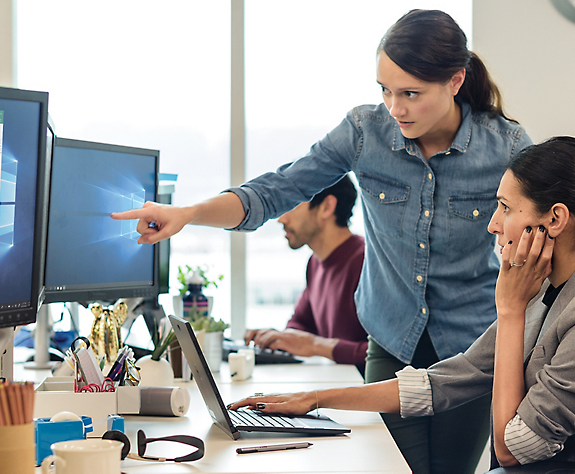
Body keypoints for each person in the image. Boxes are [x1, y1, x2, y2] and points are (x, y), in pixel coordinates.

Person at [111, 9, 532, 473]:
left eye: (411, 94)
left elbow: (543, 237)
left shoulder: (507, 148)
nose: (395, 108)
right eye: (385, 91)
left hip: (472, 351)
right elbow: (277, 190)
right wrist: (188, 214)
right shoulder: (363, 132)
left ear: (455, 81)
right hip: (391, 343)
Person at [229, 136, 575, 469]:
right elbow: (446, 381)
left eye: (504, 208)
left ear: (554, 219)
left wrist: (509, 310)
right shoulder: (538, 291)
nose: (493, 225)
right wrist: (315, 399)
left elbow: (510, 450)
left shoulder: (560, 312)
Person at [244, 175, 368, 374]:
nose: (281, 218)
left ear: (326, 207)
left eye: (291, 205)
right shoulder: (315, 262)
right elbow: (300, 324)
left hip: (365, 395)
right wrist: (276, 338)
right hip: (337, 385)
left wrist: (317, 346)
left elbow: (387, 354)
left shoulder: (366, 263)